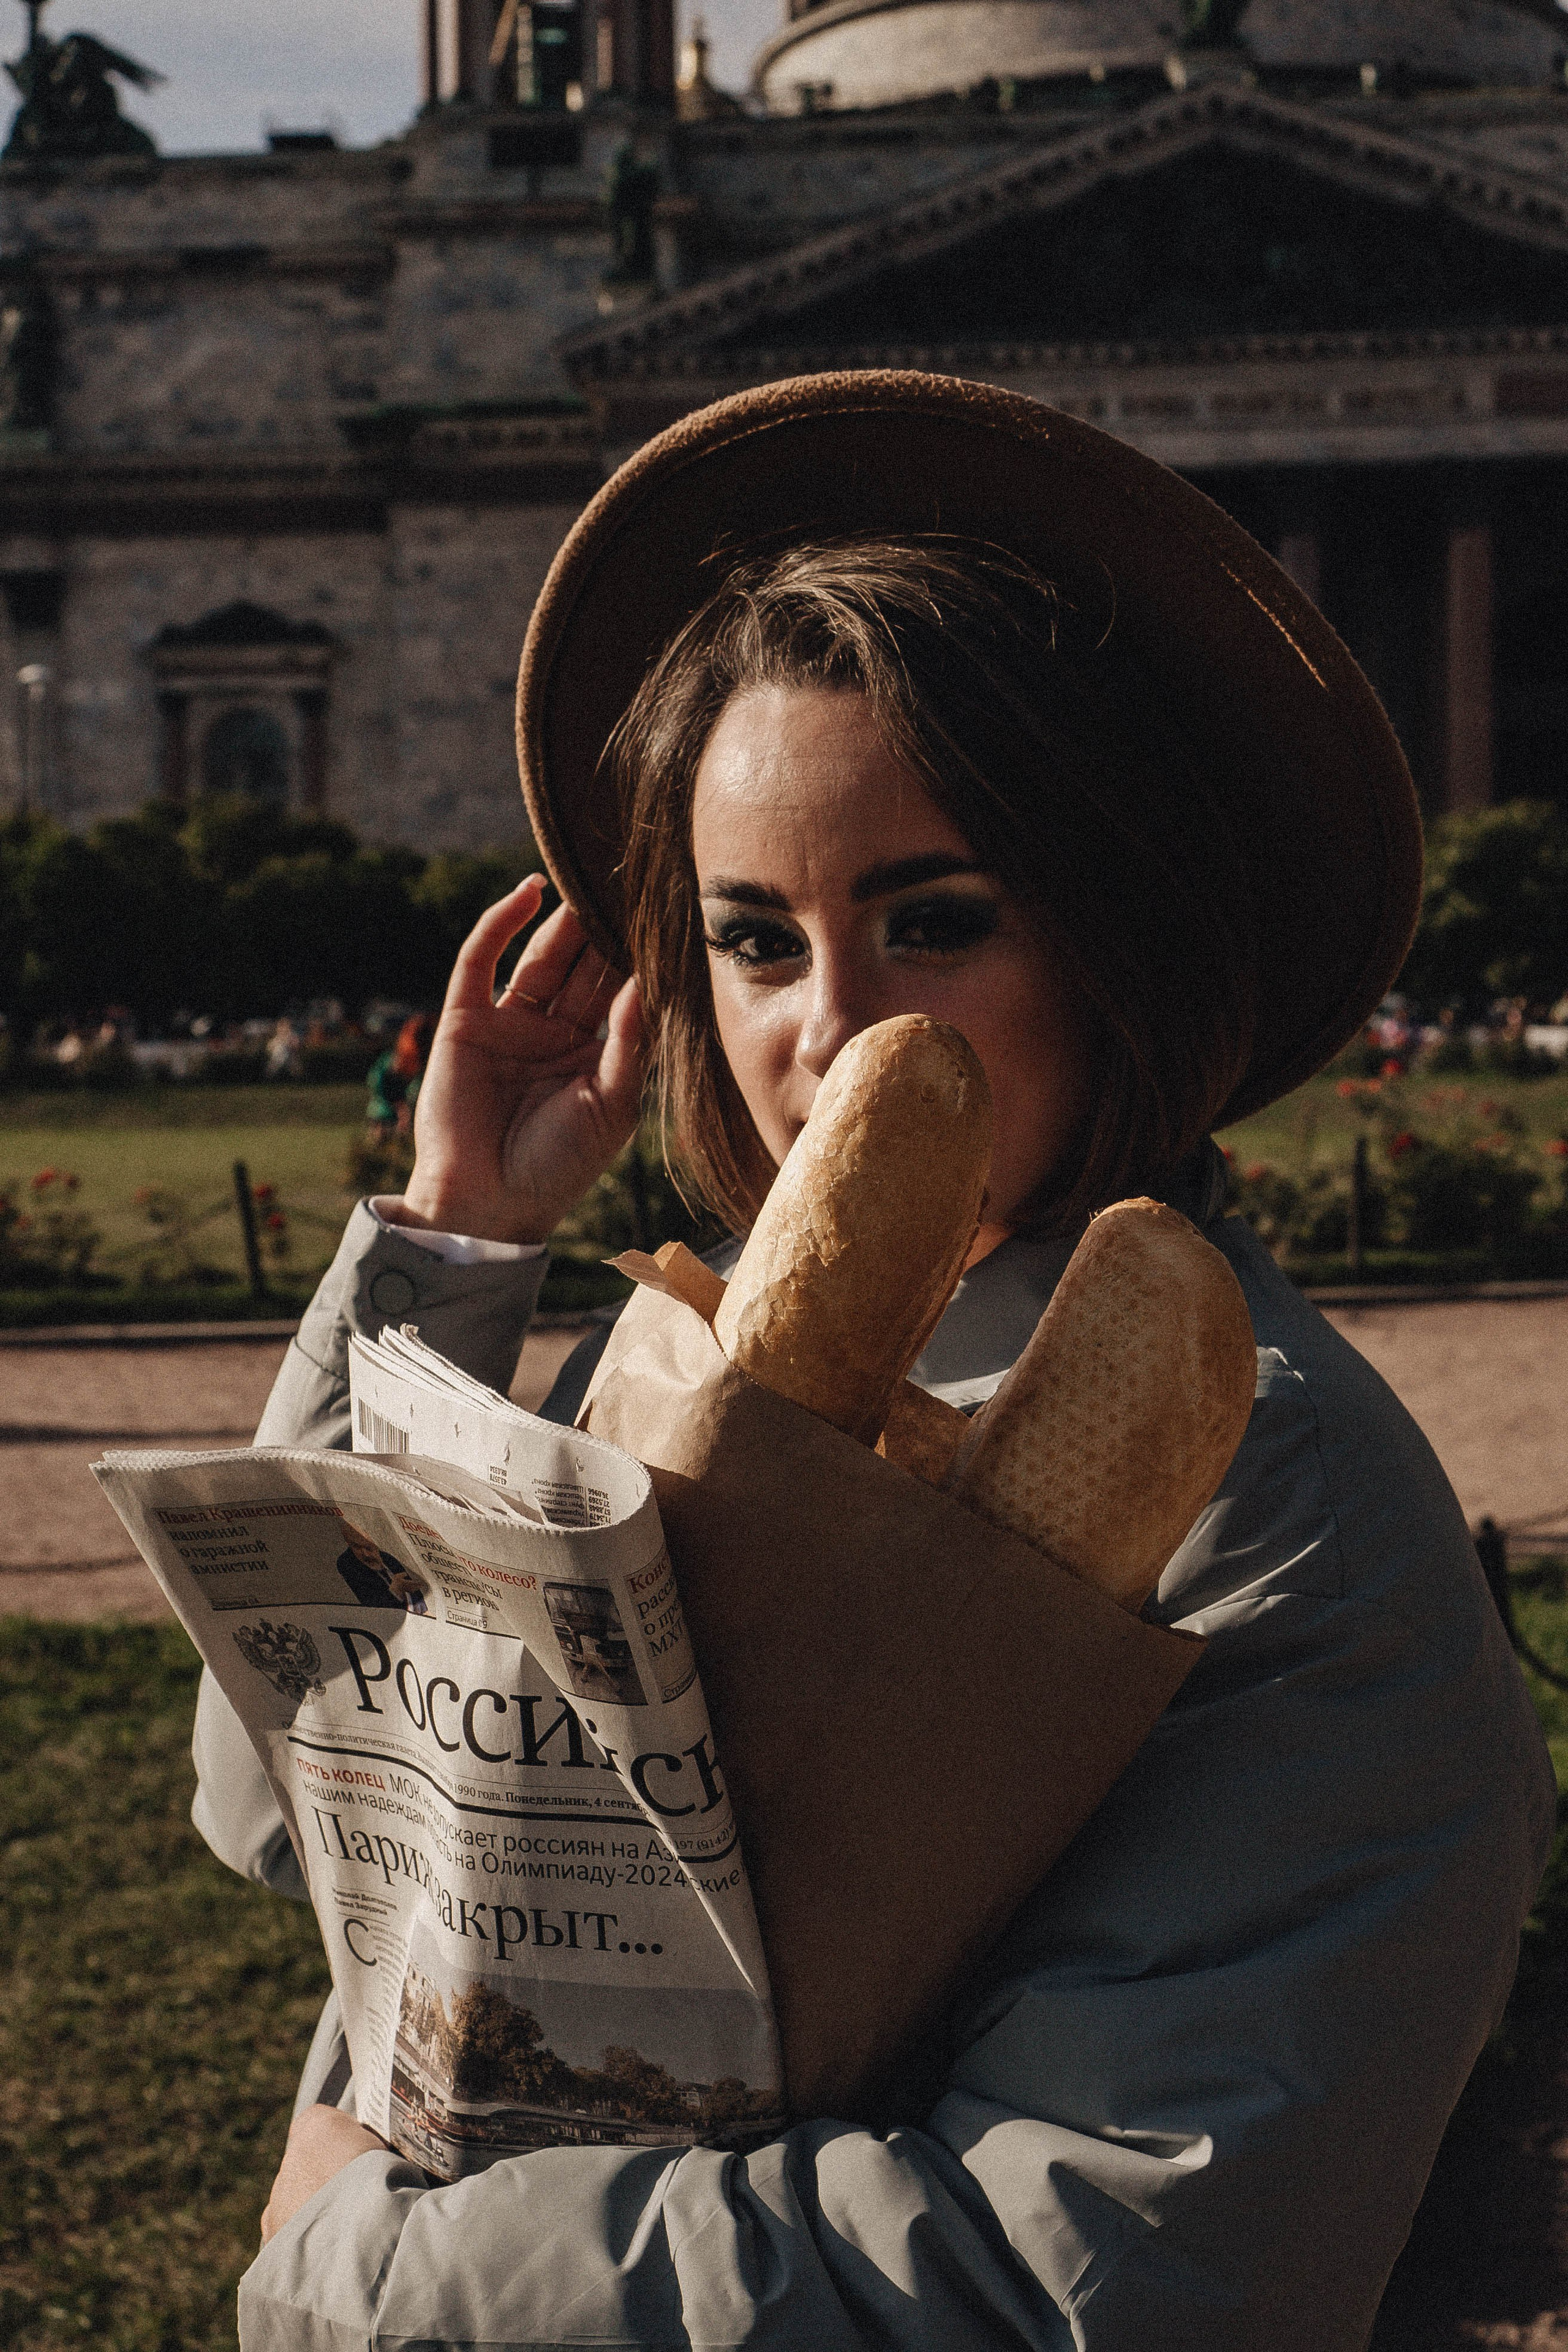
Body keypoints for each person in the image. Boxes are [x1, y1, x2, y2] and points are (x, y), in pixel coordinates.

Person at [189, 373, 1553, 2350]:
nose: (828, 1026)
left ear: (1114, 934)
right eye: (753, 938)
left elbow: (1092, 2283)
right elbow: (274, 1814)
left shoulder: (1277, 1503)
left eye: (936, 920)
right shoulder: (672, 1363)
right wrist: (453, 1248)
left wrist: (367, 2264)